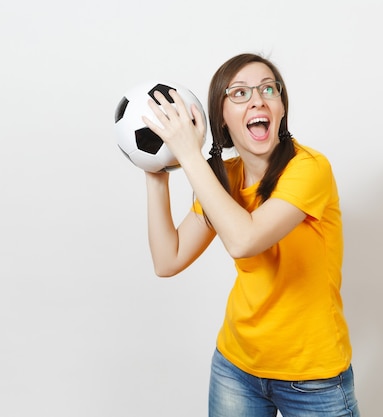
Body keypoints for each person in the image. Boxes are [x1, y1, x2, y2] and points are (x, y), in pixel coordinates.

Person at [142, 53, 360, 417]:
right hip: (236, 367)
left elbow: (245, 240)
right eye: (240, 93)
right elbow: (168, 260)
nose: (257, 99)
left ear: (280, 108)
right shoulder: (225, 178)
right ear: (221, 120)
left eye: (267, 89)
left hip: (313, 378)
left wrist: (190, 156)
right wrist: (157, 172)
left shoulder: (309, 169)